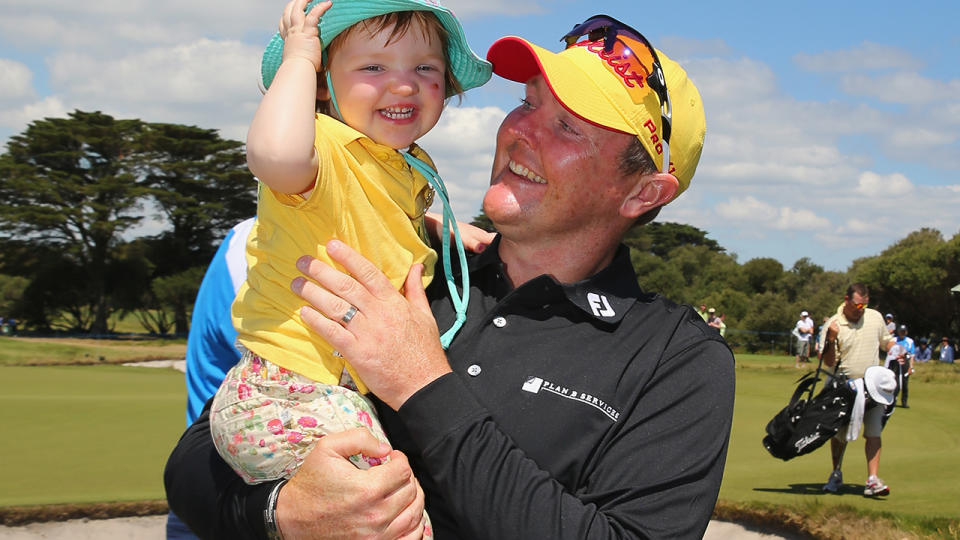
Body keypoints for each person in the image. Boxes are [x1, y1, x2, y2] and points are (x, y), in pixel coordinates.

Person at [166, 14, 734, 539]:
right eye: (526, 102)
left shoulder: (678, 358)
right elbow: (191, 467)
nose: (519, 131)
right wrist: (281, 513)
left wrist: (420, 384)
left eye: (565, 126)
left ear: (642, 191)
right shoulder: (407, 268)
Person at [207, 0, 491, 534]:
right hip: (289, 390)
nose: (404, 85)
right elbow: (274, 154)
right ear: (322, 84)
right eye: (373, 67)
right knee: (393, 516)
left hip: (330, 391)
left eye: (424, 68)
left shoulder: (406, 163)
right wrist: (297, 58)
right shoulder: (320, 144)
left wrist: (435, 227)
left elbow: (377, 219)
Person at [819, 283, 896, 497]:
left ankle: (872, 480)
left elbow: (885, 342)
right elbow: (827, 361)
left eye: (864, 305)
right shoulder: (833, 325)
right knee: (840, 435)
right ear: (846, 300)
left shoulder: (874, 317)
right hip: (843, 388)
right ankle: (836, 473)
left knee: (874, 432)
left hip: (873, 387)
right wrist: (832, 339)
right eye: (857, 305)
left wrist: (896, 350)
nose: (861, 309)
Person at [886, 324, 914, 408]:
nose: (902, 333)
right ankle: (892, 400)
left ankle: (904, 402)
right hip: (895, 364)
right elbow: (889, 351)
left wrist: (911, 367)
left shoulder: (910, 341)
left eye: (904, 331)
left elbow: (912, 355)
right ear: (898, 332)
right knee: (896, 383)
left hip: (905, 363)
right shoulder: (894, 340)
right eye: (901, 331)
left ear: (906, 332)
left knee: (905, 384)